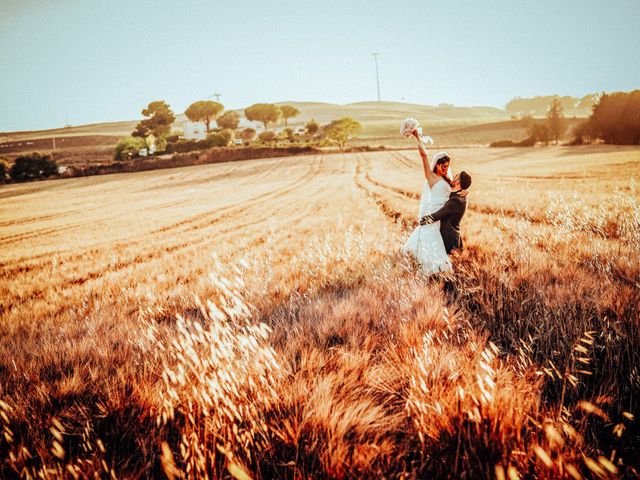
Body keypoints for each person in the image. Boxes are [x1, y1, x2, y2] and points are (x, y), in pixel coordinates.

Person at [401, 128, 454, 275]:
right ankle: (430, 269)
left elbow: (455, 195)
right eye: (443, 166)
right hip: (431, 214)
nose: (445, 169)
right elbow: (424, 155)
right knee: (428, 237)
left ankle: (434, 269)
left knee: (433, 239)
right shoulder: (431, 178)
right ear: (436, 164)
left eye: (447, 167)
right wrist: (417, 136)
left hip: (440, 216)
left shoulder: (448, 181)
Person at [420, 171, 472, 255]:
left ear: (458, 182)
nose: (454, 176)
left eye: (456, 175)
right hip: (453, 236)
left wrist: (422, 221)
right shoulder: (461, 196)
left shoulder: (456, 200)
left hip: (449, 239)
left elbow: (438, 215)